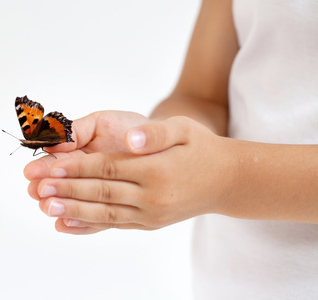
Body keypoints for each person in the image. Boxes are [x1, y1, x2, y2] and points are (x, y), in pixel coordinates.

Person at [24, 0, 318, 298]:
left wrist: (224, 177)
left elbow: (219, 171)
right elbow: (201, 96)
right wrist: (160, 141)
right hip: (228, 282)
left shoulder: (219, 179)